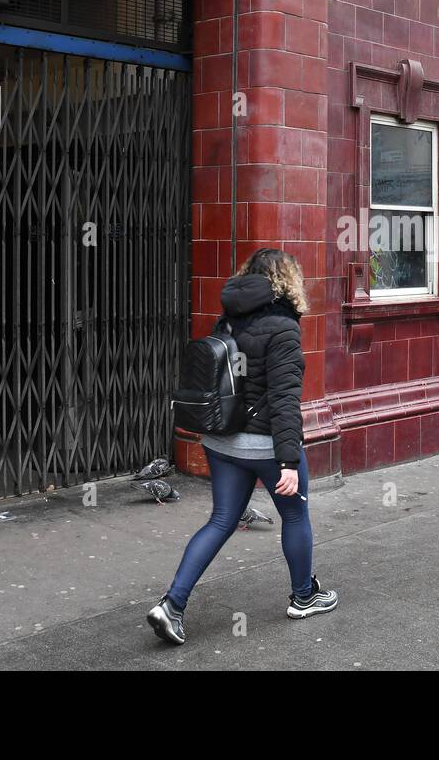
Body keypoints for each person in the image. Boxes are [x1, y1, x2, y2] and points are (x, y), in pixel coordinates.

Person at [146, 248, 337, 645]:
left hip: (221, 439)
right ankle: (304, 597)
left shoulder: (228, 316)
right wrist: (287, 460)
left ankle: (171, 605)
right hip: (266, 444)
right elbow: (285, 398)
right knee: (296, 515)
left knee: (221, 520)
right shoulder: (283, 327)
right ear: (288, 280)